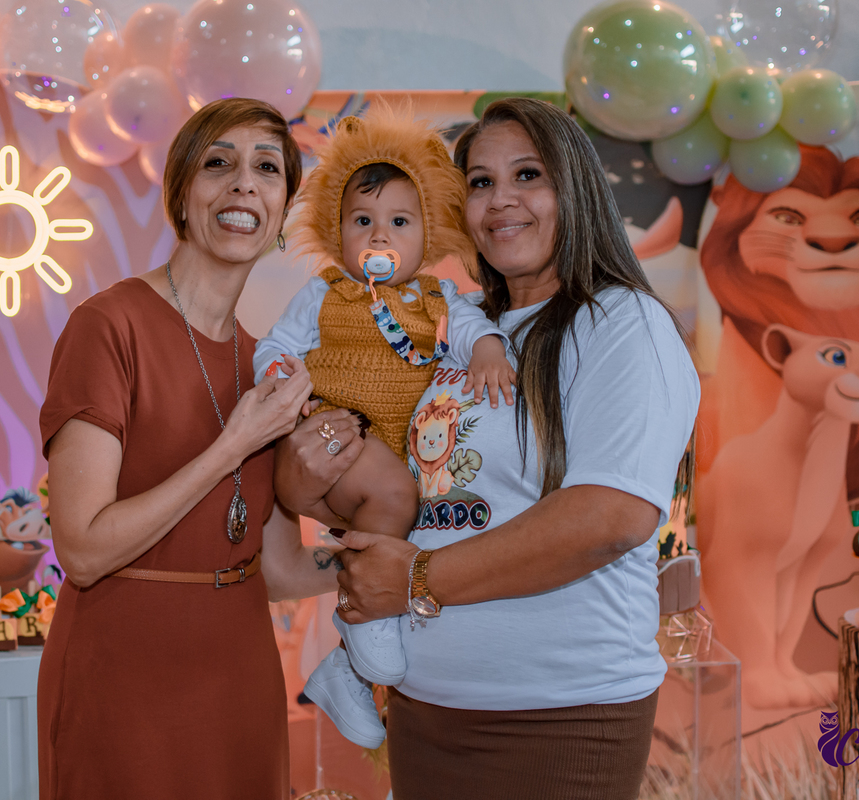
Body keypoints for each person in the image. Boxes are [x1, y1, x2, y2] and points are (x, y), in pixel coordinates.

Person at [275, 97, 699, 799]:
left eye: (528, 175)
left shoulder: (623, 324)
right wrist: (303, 473)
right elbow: (406, 499)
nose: (501, 201)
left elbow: (610, 517)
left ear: (576, 188)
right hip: (426, 710)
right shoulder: (461, 336)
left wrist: (414, 580)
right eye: (479, 181)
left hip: (558, 716)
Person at [36, 98, 355, 799]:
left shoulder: (266, 363)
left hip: (239, 675)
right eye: (220, 164)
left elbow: (276, 569)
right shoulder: (108, 327)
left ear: (280, 214)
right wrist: (234, 442)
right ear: (183, 195)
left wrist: (400, 548)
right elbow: (83, 549)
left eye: (267, 169)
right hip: (123, 674)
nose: (245, 184)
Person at [254, 107, 516, 749]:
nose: (380, 235)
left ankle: (346, 667)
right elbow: (277, 344)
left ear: (428, 235)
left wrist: (486, 350)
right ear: (337, 232)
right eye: (362, 222)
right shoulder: (326, 293)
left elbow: (476, 330)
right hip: (335, 433)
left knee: (414, 517)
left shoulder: (437, 300)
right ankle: (364, 628)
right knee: (398, 497)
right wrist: (285, 374)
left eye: (399, 222)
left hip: (392, 454)